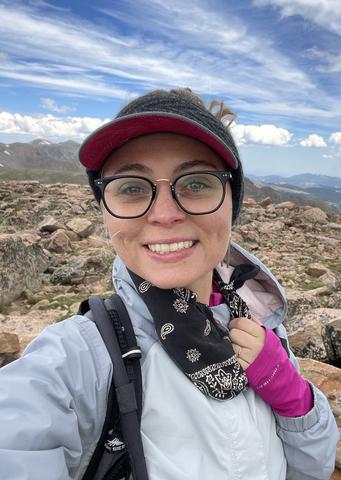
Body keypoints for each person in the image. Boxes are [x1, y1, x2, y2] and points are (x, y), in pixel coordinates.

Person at [0, 88, 339, 480]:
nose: (164, 214)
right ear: (105, 210)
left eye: (196, 183)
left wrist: (294, 399)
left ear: (233, 202)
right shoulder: (79, 359)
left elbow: (310, 470)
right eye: (131, 187)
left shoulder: (264, 327)